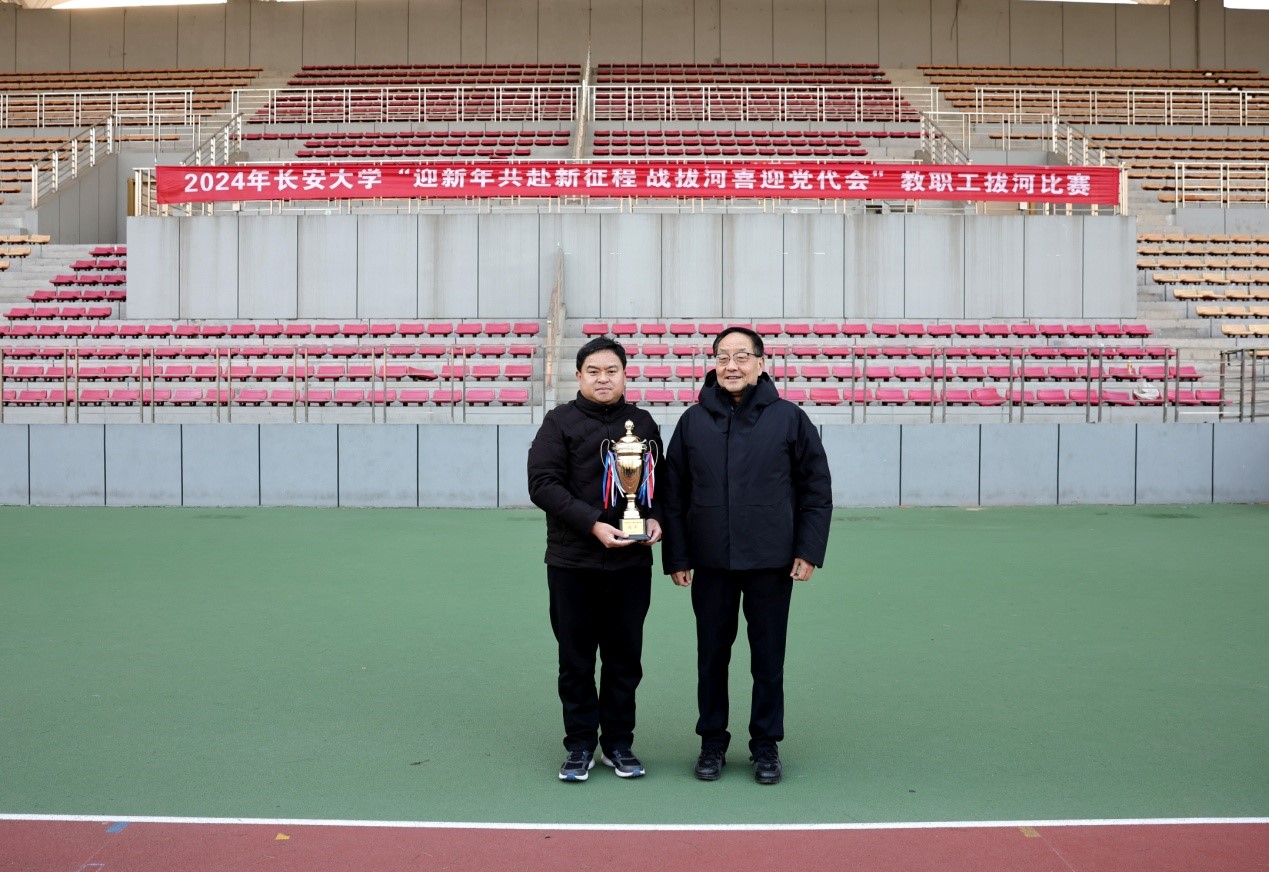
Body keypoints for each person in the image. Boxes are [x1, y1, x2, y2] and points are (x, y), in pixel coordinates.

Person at [660, 326, 832, 785]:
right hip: (710, 563)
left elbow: (816, 489)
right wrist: (678, 556)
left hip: (771, 562)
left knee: (768, 659)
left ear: (760, 363)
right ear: (713, 364)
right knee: (711, 657)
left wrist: (808, 549)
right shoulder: (692, 421)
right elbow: (673, 494)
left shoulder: (789, 418)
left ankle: (766, 744)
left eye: (741, 356)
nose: (731, 366)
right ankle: (711, 742)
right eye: (723, 357)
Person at [527, 336, 664, 782]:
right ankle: (580, 744)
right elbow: (543, 484)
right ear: (579, 376)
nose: (603, 379)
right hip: (573, 564)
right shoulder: (558, 422)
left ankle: (619, 744)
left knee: (625, 660)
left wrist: (656, 518)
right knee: (576, 660)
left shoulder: (643, 423)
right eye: (594, 372)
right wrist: (592, 524)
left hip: (631, 564)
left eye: (611, 371)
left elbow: (660, 484)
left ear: (624, 375)